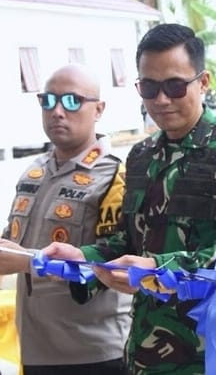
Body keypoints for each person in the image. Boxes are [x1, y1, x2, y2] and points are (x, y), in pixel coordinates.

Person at [43, 23, 216, 375]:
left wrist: (158, 269)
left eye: (174, 86)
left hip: (213, 353)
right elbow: (129, 239)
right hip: (146, 349)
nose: (161, 99)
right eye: (149, 88)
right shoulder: (140, 156)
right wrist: (82, 257)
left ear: (203, 82)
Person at [0, 64, 131, 375]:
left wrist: (30, 262)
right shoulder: (33, 172)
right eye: (48, 100)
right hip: (34, 349)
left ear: (98, 109)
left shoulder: (115, 176)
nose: (57, 111)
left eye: (71, 101)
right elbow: (14, 241)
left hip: (95, 352)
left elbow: (114, 262)